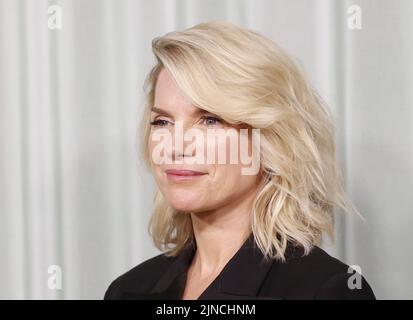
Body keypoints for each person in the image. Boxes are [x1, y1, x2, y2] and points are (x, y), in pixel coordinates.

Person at [104, 21, 375, 300]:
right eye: (162, 121)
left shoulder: (328, 291)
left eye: (210, 120)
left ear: (270, 139)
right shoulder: (127, 290)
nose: (174, 145)